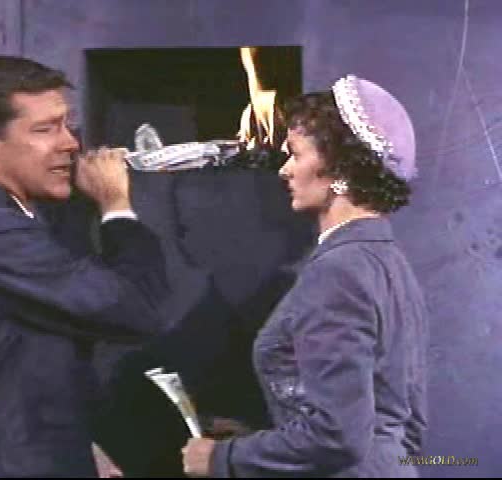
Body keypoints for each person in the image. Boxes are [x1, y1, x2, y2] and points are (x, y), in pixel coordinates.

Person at [0, 55, 169, 477]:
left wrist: (83, 450)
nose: (70, 143)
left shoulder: (9, 219)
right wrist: (115, 207)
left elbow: (27, 363)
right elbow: (135, 311)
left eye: (65, 124)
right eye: (45, 129)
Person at [182, 75, 429, 477]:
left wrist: (222, 458)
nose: (284, 170)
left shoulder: (339, 270)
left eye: (295, 154)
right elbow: (406, 430)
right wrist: (262, 441)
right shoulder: (388, 261)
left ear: (338, 168)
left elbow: (337, 436)